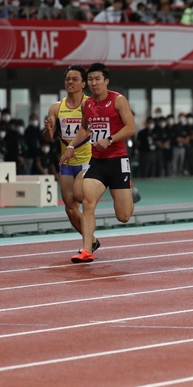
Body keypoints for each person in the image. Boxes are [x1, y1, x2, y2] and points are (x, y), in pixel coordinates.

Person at [60, 63, 139, 263]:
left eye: (98, 79)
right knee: (88, 203)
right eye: (91, 80)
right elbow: (84, 129)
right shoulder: (88, 105)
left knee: (124, 216)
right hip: (97, 162)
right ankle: (87, 250)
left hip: (118, 161)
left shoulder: (118, 101)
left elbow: (131, 128)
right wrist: (71, 147)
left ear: (106, 81)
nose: (94, 84)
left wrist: (110, 139)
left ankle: (130, 190)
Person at [43, 65, 96, 250]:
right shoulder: (57, 107)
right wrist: (48, 128)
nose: (70, 82)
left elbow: (90, 130)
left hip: (87, 160)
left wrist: (74, 146)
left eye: (75, 79)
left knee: (80, 195)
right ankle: (91, 241)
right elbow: (48, 138)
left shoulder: (89, 104)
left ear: (83, 84)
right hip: (66, 163)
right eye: (68, 79)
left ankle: (88, 241)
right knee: (70, 208)